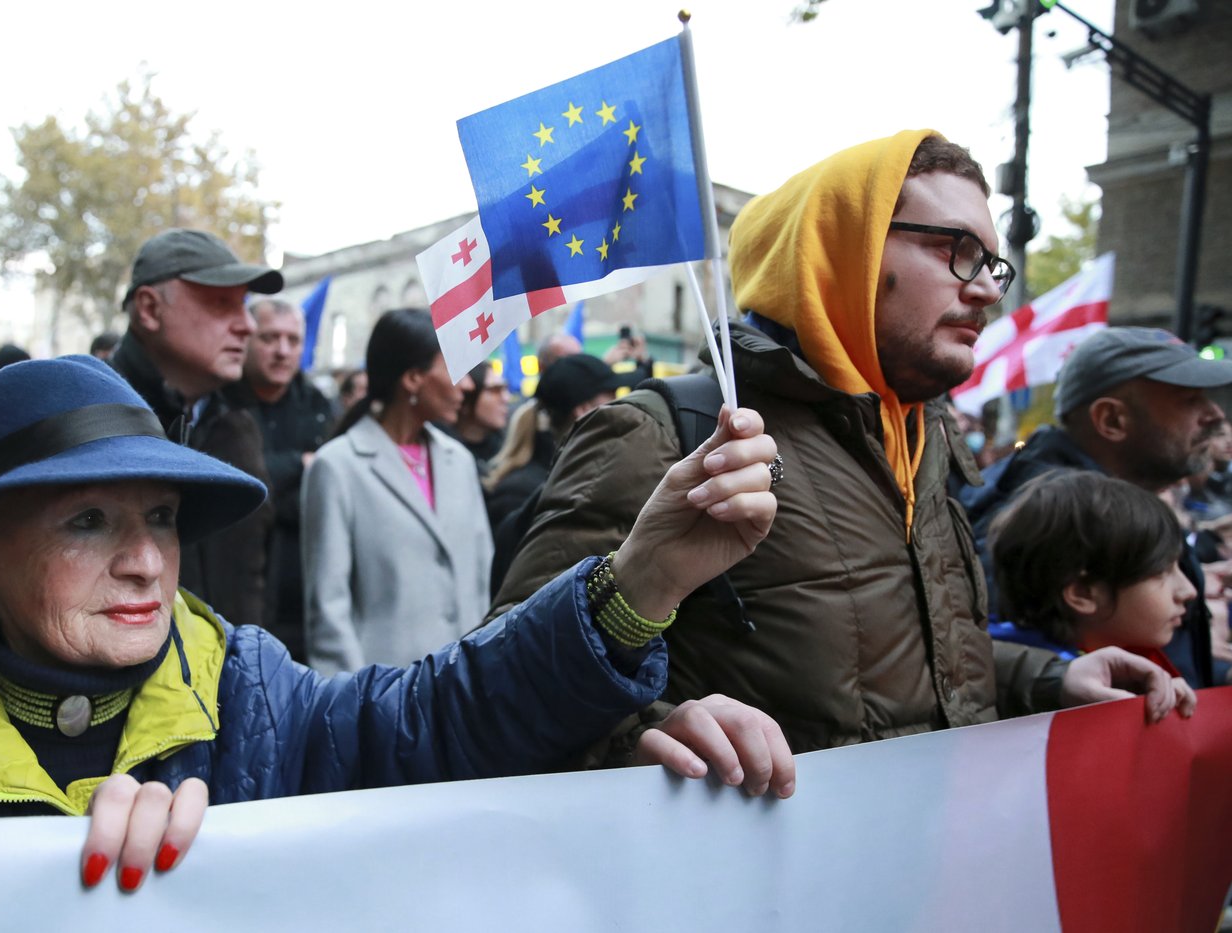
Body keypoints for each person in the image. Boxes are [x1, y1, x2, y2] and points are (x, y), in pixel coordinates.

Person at [0, 354, 796, 889]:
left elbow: (438, 717)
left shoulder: (253, 691)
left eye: (163, 517)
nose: (145, 559)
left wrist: (640, 581)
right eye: (87, 520)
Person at [494, 131, 1188, 754]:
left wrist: (1051, 678)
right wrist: (644, 736)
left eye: (992, 265)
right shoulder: (666, 433)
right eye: (957, 251)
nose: (986, 290)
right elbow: (509, 680)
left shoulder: (922, 440)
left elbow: (905, 670)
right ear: (841, 250)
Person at [965, 326, 1232, 688]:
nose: (1215, 414)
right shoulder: (1041, 518)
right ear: (1111, 419)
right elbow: (1005, 669)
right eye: (1189, 400)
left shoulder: (1097, 506)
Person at [302, 309, 493, 673]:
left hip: (463, 686)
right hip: (385, 690)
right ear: (413, 378)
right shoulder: (338, 467)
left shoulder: (459, 461)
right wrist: (356, 699)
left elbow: (481, 577)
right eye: (455, 367)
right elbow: (329, 607)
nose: (469, 385)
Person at [111, 228, 280, 632]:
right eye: (222, 303)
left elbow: (253, 570)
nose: (247, 325)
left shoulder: (238, 425)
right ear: (150, 309)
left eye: (244, 304)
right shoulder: (87, 421)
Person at [987, 470, 1198, 718]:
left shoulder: (1131, 659)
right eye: (1161, 572)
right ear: (1083, 593)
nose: (1188, 591)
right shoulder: (1044, 705)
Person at [223, 297, 335, 656]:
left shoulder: (319, 408)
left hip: (301, 591)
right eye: (270, 338)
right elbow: (232, 484)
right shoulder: (220, 403)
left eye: (293, 340)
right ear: (247, 339)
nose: (282, 351)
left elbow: (326, 493)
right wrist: (298, 463)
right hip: (232, 589)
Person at [485, 353, 628, 592]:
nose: (624, 407)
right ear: (585, 410)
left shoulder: (583, 482)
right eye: (612, 398)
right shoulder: (525, 494)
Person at [447, 361, 510, 476]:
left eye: (505, 389)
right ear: (466, 397)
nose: (506, 398)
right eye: (495, 390)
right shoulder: (442, 452)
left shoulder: (509, 449)